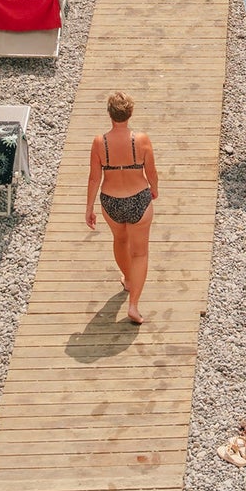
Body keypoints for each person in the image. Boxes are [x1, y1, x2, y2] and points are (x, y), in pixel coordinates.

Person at [85, 91, 158, 325]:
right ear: (130, 113)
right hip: (138, 198)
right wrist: (154, 189)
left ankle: (128, 279)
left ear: (109, 114)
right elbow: (151, 172)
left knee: (120, 240)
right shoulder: (142, 139)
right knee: (140, 252)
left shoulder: (99, 142)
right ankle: (134, 305)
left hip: (111, 200)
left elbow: (94, 178)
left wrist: (89, 207)